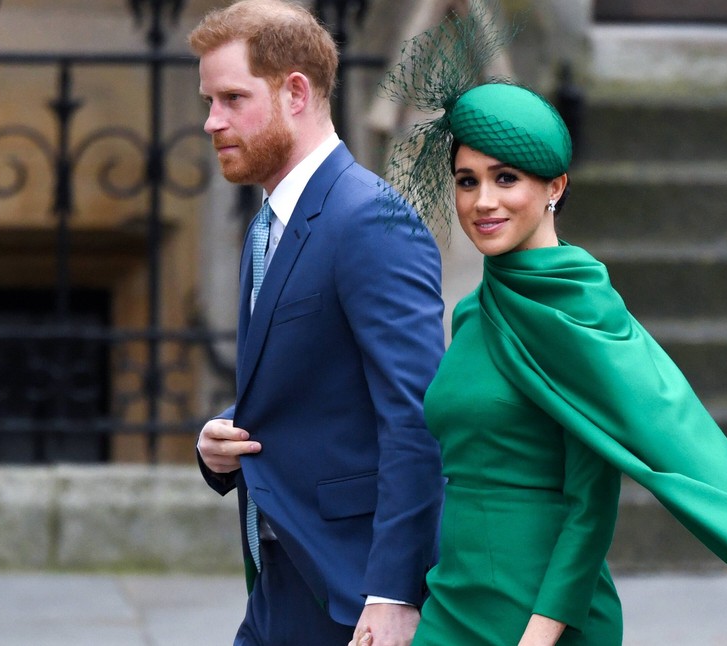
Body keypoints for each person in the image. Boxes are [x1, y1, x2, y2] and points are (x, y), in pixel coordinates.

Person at [376, 75, 727, 644]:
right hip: (453, 601)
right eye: (467, 181)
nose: (483, 201)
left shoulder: (581, 314)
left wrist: (540, 632)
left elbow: (592, 504)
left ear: (555, 186)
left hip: (544, 617)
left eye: (506, 178)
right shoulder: (472, 313)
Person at [188, 2, 445, 645]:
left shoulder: (370, 221)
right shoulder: (265, 225)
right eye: (208, 100)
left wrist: (394, 593)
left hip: (351, 598)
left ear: (295, 91)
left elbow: (418, 418)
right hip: (279, 582)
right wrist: (219, 447)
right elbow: (309, 387)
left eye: (231, 98)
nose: (211, 121)